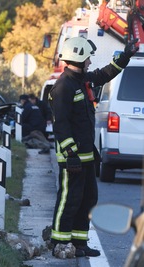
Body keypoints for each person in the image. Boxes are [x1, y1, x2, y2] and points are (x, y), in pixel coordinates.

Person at [48, 36, 138, 257]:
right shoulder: (63, 87)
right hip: (72, 158)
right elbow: (61, 125)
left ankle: (79, 244)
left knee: (87, 199)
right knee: (69, 200)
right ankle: (59, 243)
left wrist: (125, 57)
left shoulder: (81, 80)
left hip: (86, 156)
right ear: (78, 57)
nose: (90, 62)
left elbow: (104, 74)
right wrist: (70, 154)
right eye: (88, 58)